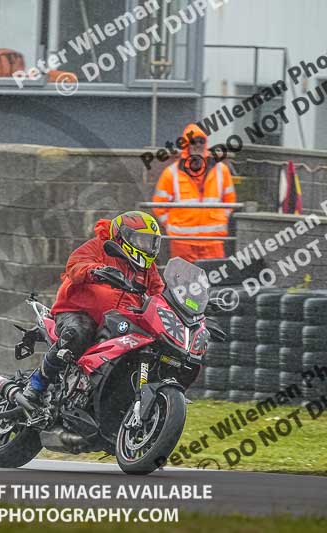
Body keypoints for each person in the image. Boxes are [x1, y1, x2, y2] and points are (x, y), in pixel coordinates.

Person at [22, 211, 166, 406]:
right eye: (141, 240)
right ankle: (36, 384)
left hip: (119, 321)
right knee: (78, 333)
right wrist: (95, 270)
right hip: (78, 311)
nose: (146, 247)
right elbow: (75, 264)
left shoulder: (147, 269)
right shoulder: (100, 247)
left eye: (151, 242)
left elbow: (160, 293)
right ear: (123, 236)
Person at [152, 124, 237, 262]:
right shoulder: (172, 173)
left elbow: (230, 200)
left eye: (201, 141)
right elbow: (158, 205)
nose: (197, 145)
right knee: (183, 281)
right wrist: (173, 226)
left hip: (213, 242)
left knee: (212, 280)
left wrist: (219, 219)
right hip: (182, 243)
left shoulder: (221, 170)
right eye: (193, 142)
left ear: (206, 143)